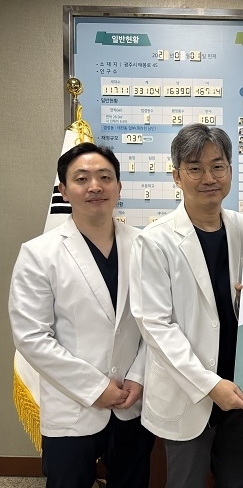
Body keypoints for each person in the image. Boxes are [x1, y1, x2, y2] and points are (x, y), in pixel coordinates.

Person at [8, 143, 155, 488]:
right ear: (63, 190)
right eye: (82, 178)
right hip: (72, 404)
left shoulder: (146, 246)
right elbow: (31, 337)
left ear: (119, 186)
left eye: (105, 177)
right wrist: (95, 388)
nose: (95, 186)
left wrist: (138, 377)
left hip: (133, 401)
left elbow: (158, 322)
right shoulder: (39, 254)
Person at [129, 124, 243, 488]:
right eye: (195, 168)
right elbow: (155, 326)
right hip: (187, 391)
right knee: (185, 482)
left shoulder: (240, 227)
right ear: (176, 176)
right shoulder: (154, 240)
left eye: (218, 166)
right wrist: (209, 384)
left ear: (230, 170)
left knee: (236, 481)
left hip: (236, 385)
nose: (209, 178)